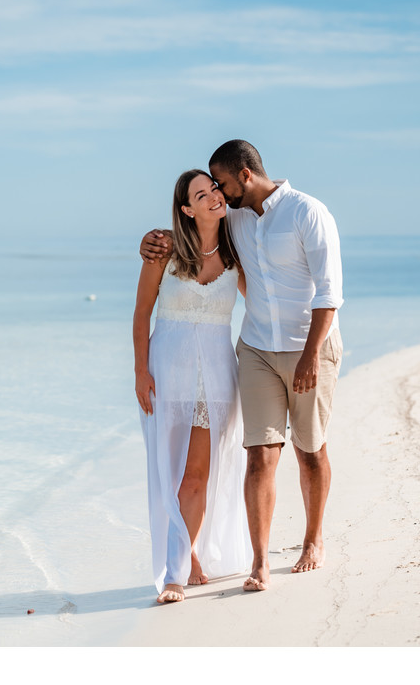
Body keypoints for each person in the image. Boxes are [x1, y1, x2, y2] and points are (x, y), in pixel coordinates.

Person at [140, 140, 343, 592]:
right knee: (258, 453)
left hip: (305, 347)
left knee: (310, 449)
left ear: (244, 177)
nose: (219, 194)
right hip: (252, 351)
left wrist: (311, 354)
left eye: (222, 185)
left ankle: (313, 540)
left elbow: (330, 293)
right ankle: (258, 562)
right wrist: (150, 240)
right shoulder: (234, 217)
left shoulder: (306, 213)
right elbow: (184, 229)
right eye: (211, 190)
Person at [133, 169, 250, 604]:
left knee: (197, 475)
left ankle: (179, 569)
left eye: (215, 189)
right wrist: (140, 371)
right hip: (168, 375)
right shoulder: (163, 251)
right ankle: (181, 562)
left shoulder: (237, 253)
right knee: (170, 473)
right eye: (202, 194)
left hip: (218, 377)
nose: (214, 197)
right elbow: (142, 313)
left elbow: (262, 298)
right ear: (187, 208)